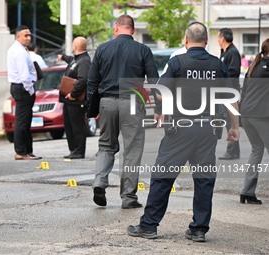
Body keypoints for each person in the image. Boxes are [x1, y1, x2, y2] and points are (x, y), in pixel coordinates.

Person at [127, 22, 240, 242]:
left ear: (185, 40)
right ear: (206, 41)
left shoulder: (177, 62)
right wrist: (234, 127)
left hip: (179, 129)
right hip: (208, 129)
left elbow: (160, 94)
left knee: (162, 178)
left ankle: (149, 226)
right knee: (204, 180)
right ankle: (198, 229)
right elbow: (230, 98)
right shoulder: (218, 64)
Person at [87, 14, 159, 209]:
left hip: (107, 102)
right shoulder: (143, 50)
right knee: (132, 150)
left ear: (116, 28)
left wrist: (94, 110)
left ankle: (99, 182)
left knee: (105, 146)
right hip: (133, 102)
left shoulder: (102, 49)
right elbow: (153, 81)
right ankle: (128, 197)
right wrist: (159, 109)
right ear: (133, 30)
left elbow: (92, 82)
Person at [239, 38, 269, 205]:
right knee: (258, 150)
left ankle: (247, 192)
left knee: (256, 150)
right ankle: (247, 192)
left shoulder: (253, 66)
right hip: (261, 116)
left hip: (247, 114)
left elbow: (244, 93)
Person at [7, 25, 41, 160]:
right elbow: (24, 75)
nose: (28, 38)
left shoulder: (19, 49)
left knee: (26, 121)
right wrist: (30, 90)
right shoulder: (20, 52)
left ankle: (27, 150)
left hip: (20, 87)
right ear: (18, 36)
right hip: (23, 88)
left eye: (29, 35)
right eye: (25, 36)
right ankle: (21, 152)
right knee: (22, 121)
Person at [57, 37, 91, 159]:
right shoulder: (76, 59)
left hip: (76, 101)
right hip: (68, 100)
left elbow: (83, 80)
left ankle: (79, 151)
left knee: (77, 126)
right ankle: (73, 150)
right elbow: (71, 59)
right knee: (69, 125)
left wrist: (73, 94)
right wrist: (63, 57)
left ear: (75, 47)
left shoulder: (85, 61)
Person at [217, 28, 241, 160]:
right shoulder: (225, 52)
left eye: (218, 37)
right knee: (227, 121)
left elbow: (233, 72)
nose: (217, 40)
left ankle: (232, 151)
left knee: (230, 121)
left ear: (222, 38)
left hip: (230, 92)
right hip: (224, 92)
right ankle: (233, 150)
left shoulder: (233, 52)